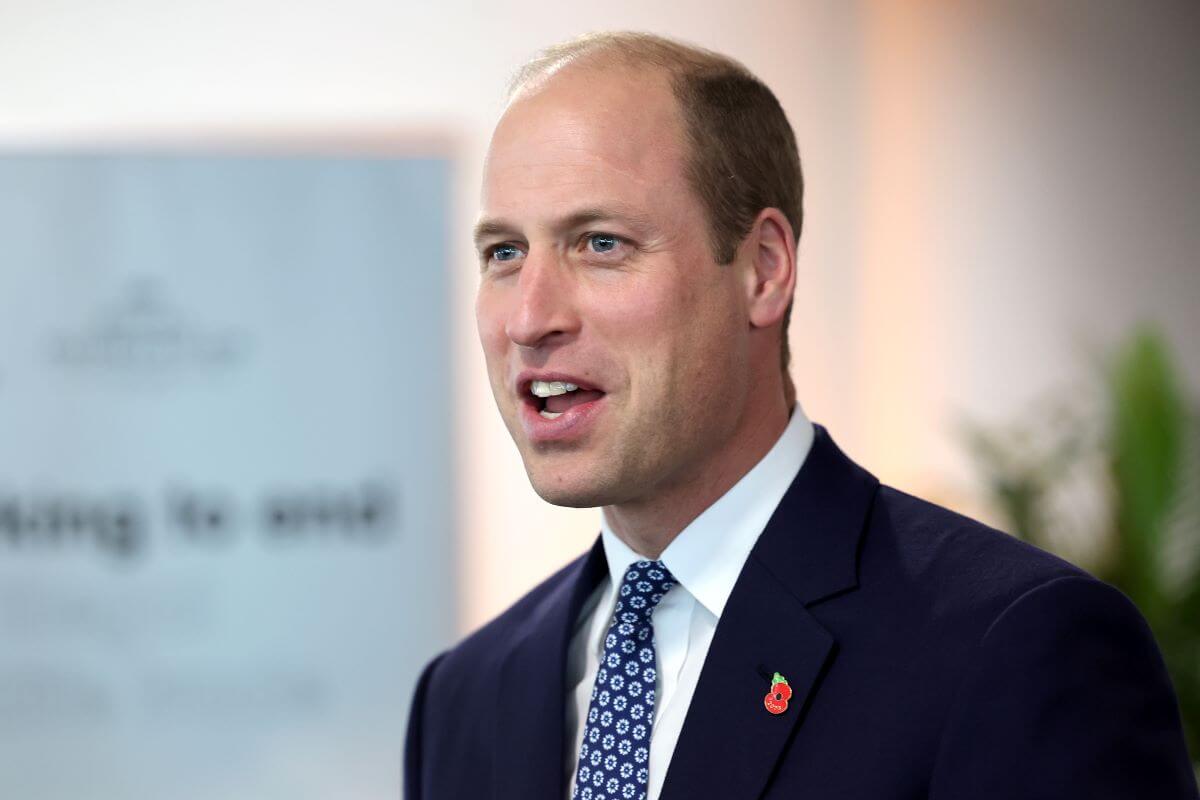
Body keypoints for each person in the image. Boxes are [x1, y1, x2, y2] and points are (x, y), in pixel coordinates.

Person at [404, 31, 1198, 800]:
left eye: (600, 243)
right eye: (504, 253)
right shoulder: (465, 697)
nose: (529, 317)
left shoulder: (1015, 648)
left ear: (763, 270)